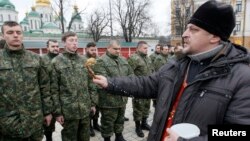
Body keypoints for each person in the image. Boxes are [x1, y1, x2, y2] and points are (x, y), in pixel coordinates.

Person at [92, 1, 250, 141]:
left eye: (193, 30)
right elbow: (147, 84)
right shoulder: (179, 63)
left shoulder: (242, 77)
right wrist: (110, 82)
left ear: (214, 37)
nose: (184, 34)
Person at [0, 21, 52, 140]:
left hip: (34, 119)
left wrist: (47, 112)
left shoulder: (35, 59)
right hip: (7, 122)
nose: (15, 35)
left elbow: (44, 87)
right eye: (10, 32)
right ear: (3, 36)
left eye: (18, 32)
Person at [51, 31, 94, 141]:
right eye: (71, 40)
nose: (74, 43)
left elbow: (91, 83)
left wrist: (93, 103)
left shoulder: (84, 60)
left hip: (85, 109)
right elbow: (54, 90)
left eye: (76, 40)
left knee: (85, 137)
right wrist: (58, 112)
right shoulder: (56, 62)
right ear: (64, 43)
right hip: (68, 111)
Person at [93, 40, 134, 141]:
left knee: (120, 120)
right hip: (108, 101)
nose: (118, 51)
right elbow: (102, 81)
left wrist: (129, 84)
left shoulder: (123, 60)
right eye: (115, 49)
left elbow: (131, 74)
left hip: (122, 98)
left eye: (119, 49)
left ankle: (119, 136)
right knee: (108, 122)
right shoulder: (100, 61)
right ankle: (107, 138)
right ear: (108, 48)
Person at [127, 41, 154, 137]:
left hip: (148, 87)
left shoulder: (147, 58)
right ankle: (138, 126)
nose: (147, 50)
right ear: (138, 48)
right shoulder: (134, 58)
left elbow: (151, 71)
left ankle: (144, 123)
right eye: (144, 48)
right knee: (138, 108)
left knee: (147, 106)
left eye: (147, 48)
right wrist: (136, 84)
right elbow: (129, 73)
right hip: (139, 88)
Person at [42, 39, 60, 141]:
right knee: (48, 125)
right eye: (53, 46)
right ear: (47, 48)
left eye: (57, 46)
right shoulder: (42, 60)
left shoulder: (62, 59)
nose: (55, 48)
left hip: (62, 97)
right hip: (48, 98)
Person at [84, 42, 100, 137]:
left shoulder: (98, 59)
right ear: (87, 49)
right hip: (89, 88)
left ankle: (95, 124)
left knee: (97, 108)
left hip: (98, 88)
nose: (94, 52)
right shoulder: (83, 60)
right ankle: (89, 126)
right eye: (92, 50)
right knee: (90, 109)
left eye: (95, 50)